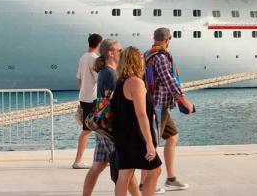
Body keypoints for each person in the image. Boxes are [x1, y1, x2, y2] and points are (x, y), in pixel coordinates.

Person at [83, 39, 141, 196]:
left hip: (102, 126)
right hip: (111, 128)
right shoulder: (110, 74)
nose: (121, 53)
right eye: (119, 50)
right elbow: (112, 101)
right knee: (126, 169)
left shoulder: (105, 72)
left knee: (98, 166)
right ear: (110, 53)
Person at [145, 28, 193, 191]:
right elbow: (168, 80)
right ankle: (145, 184)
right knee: (152, 145)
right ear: (167, 40)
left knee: (173, 137)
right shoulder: (160, 57)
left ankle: (171, 178)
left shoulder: (148, 54)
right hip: (158, 105)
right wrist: (183, 99)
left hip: (162, 105)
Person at [112, 46, 162, 196]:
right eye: (140, 57)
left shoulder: (121, 82)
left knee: (124, 175)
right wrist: (149, 142)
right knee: (155, 171)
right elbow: (141, 114)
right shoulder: (136, 82)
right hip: (136, 136)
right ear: (135, 61)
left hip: (123, 135)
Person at [74, 33, 103, 169]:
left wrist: (82, 92)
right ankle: (78, 160)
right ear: (99, 44)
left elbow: (79, 78)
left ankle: (104, 157)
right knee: (88, 130)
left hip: (84, 97)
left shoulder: (83, 57)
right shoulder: (95, 59)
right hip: (93, 98)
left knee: (96, 129)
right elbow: (100, 79)